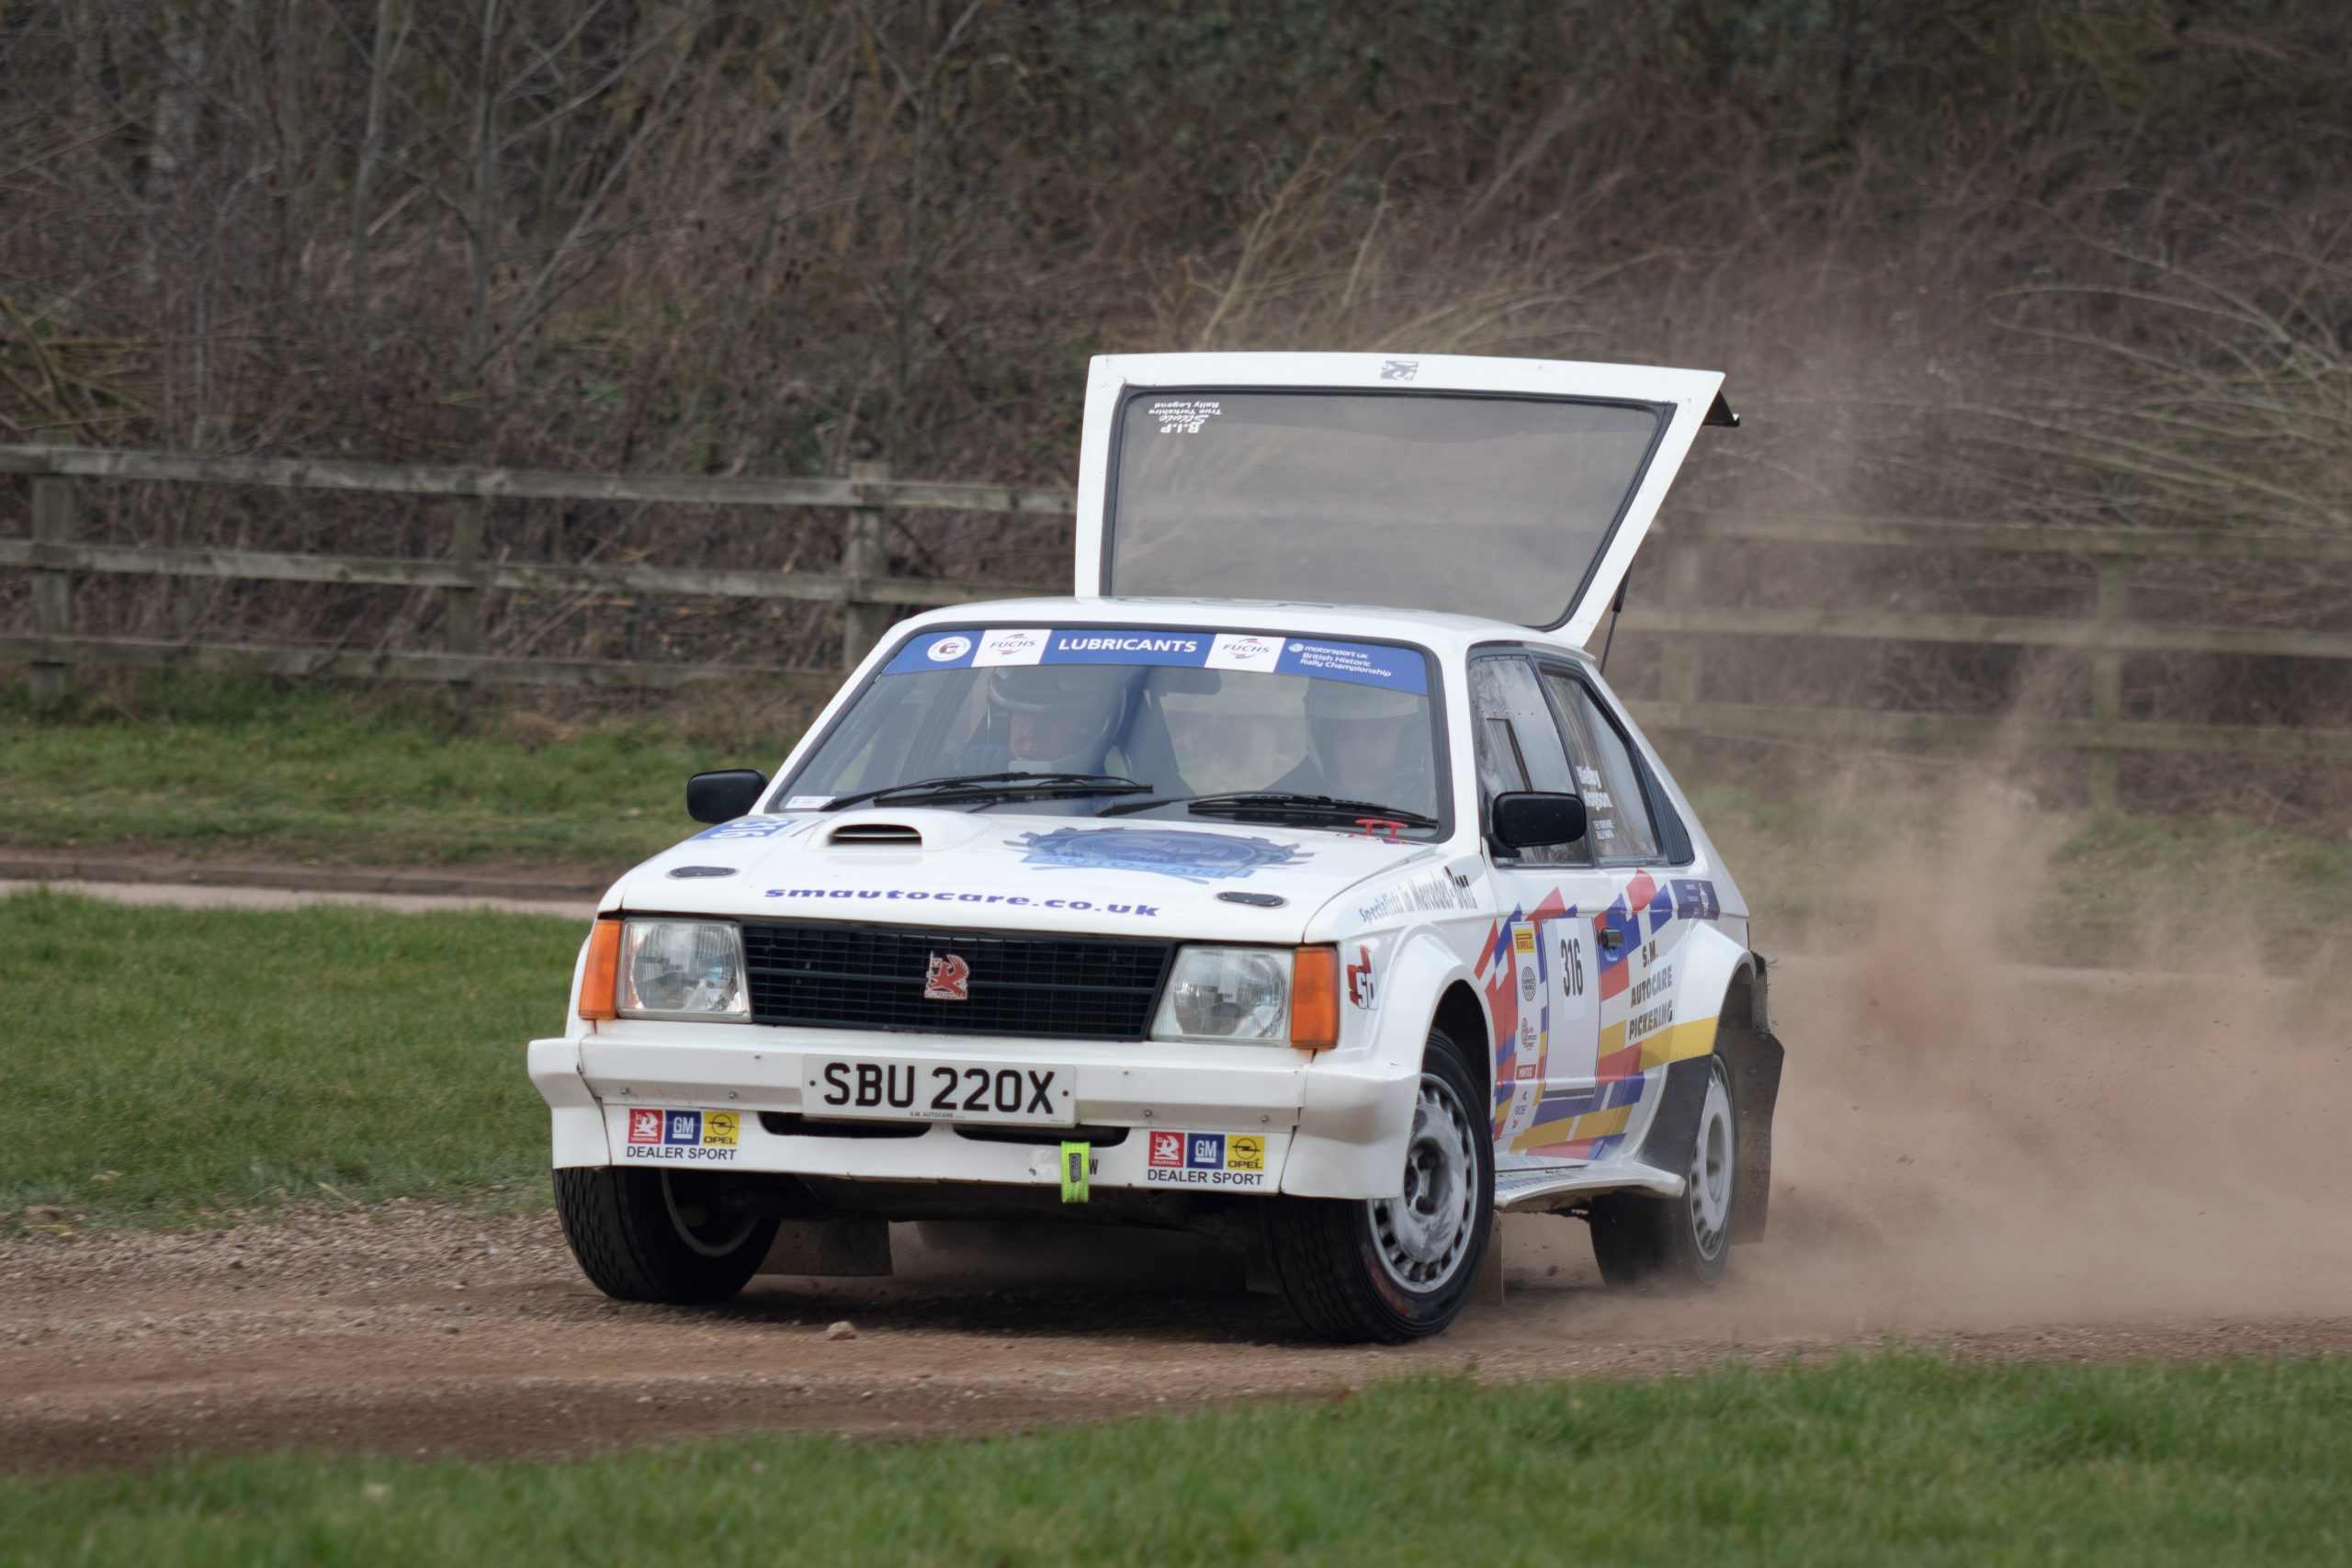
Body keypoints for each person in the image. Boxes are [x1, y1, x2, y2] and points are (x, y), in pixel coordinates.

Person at [1271, 680, 1432, 812]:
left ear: (1407, 744)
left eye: (1376, 737)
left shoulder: (1434, 808)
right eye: (1345, 737)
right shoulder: (1281, 805)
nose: (1360, 753)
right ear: (1326, 746)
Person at [957, 666, 1136, 776]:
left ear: (1083, 729)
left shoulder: (1117, 793)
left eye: (1051, 719)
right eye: (1024, 716)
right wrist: (961, 771)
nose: (1032, 733)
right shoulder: (972, 772)